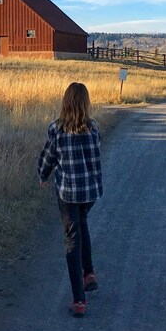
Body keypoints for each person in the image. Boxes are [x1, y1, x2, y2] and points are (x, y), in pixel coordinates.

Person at [37, 82, 103, 317]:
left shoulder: (57, 129)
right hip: (90, 191)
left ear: (65, 102)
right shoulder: (93, 128)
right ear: (86, 103)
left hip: (68, 192)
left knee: (72, 239)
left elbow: (48, 157)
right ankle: (89, 273)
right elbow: (94, 158)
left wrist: (43, 175)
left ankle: (79, 300)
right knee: (82, 223)